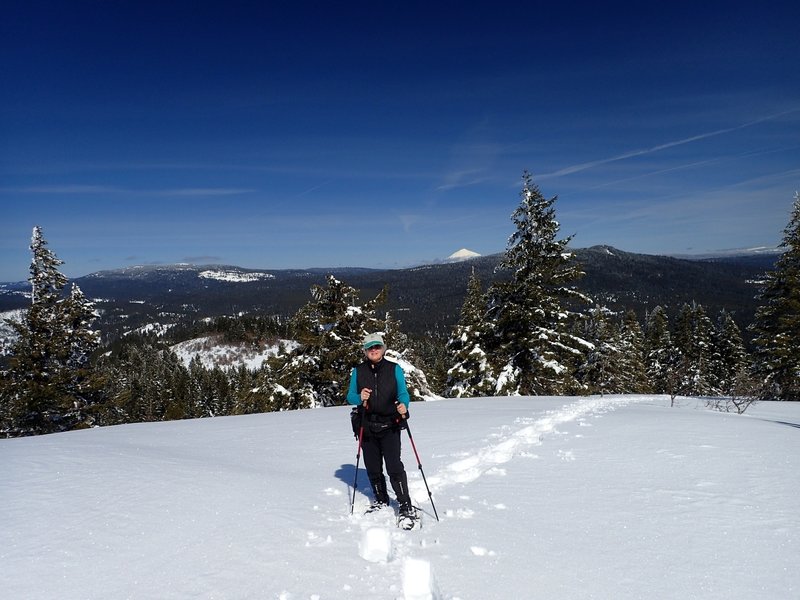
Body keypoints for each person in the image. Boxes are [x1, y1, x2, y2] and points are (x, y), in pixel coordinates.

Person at [347, 332, 414, 520]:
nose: (374, 350)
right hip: (367, 426)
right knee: (373, 467)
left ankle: (405, 504)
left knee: (394, 466)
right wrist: (360, 397)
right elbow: (350, 396)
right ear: (365, 351)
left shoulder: (394, 369)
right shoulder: (358, 371)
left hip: (390, 424)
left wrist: (403, 405)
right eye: (370, 348)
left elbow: (403, 393)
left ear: (383, 349)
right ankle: (381, 499)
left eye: (377, 347)